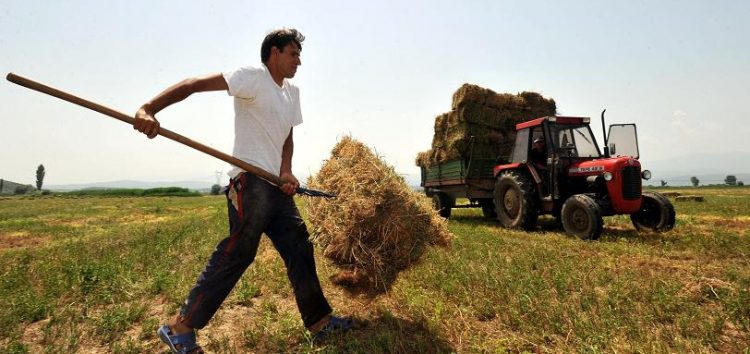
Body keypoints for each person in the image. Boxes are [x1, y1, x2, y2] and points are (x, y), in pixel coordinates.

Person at [133, 28, 350, 354]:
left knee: (299, 247)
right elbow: (193, 85)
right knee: (240, 251)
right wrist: (148, 109)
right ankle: (180, 328)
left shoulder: (292, 92)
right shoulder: (253, 77)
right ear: (274, 53)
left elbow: (287, 136)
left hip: (275, 185)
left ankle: (319, 323)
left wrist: (285, 170)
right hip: (249, 181)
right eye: (293, 53)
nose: (299, 61)